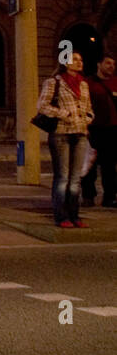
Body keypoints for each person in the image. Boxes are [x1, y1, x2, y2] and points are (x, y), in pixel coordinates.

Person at [37, 52, 93, 228]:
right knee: (62, 177)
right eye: (74, 59)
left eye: (81, 59)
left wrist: (89, 118)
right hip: (61, 133)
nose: (79, 62)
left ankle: (75, 215)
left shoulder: (84, 84)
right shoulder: (54, 82)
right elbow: (42, 105)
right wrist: (63, 114)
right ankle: (61, 216)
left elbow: (89, 107)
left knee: (76, 179)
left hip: (80, 133)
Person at [80, 55, 116, 207]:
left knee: (110, 166)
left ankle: (109, 197)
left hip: (113, 129)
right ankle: (88, 196)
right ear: (99, 64)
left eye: (113, 64)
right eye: (107, 63)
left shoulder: (115, 82)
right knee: (90, 165)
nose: (111, 66)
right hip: (94, 128)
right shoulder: (88, 83)